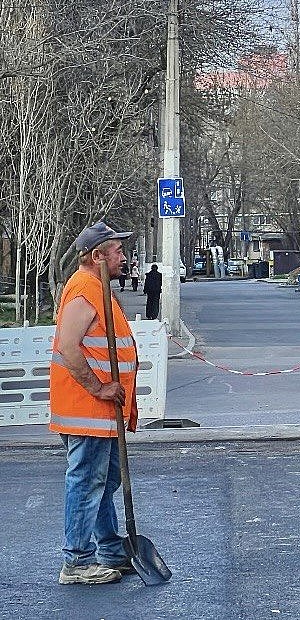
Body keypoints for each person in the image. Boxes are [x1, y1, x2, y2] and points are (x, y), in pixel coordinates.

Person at [48, 222, 139, 585]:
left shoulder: (97, 288)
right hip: (87, 411)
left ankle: (111, 550)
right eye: (117, 250)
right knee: (87, 482)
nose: (123, 256)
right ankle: (76, 561)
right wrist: (100, 388)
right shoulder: (85, 290)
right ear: (97, 255)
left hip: (99, 413)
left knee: (103, 479)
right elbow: (69, 348)